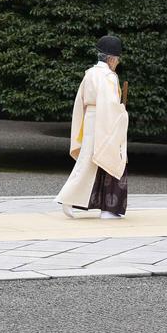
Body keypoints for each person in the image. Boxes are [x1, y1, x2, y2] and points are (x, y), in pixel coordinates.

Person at [56, 35, 129, 219]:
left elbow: (80, 101)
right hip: (104, 121)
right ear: (111, 58)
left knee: (87, 161)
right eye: (117, 60)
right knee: (111, 160)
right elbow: (110, 103)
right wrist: (122, 113)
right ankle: (108, 209)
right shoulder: (108, 76)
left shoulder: (90, 73)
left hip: (91, 118)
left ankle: (72, 198)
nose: (117, 63)